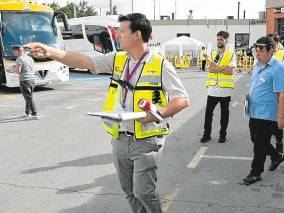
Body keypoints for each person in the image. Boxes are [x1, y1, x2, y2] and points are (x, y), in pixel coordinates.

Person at [26, 13, 190, 213]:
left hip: (146, 140)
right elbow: (84, 60)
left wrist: (157, 114)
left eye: (122, 32)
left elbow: (182, 99)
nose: (118, 36)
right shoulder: (118, 59)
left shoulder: (161, 64)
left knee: (144, 192)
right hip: (120, 139)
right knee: (129, 190)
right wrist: (51, 51)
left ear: (137, 35)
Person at [242, 36, 284, 185]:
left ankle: (255, 173)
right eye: (256, 48)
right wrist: (248, 97)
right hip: (254, 110)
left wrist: (281, 116)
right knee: (255, 139)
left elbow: (282, 93)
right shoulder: (257, 65)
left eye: (261, 49)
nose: (257, 52)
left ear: (270, 51)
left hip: (267, 114)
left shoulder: (278, 68)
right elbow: (256, 85)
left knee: (259, 146)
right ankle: (276, 156)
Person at [200, 31, 236, 143]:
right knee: (208, 113)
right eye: (218, 39)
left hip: (225, 90)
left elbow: (230, 71)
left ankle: (222, 135)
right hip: (212, 89)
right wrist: (222, 68)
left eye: (221, 39)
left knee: (224, 114)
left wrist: (217, 68)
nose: (219, 41)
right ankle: (206, 135)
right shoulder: (213, 53)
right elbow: (210, 69)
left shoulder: (230, 54)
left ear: (226, 40)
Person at [266, 33, 284, 154]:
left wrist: (272, 74)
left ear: (276, 43)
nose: (269, 44)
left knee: (276, 118)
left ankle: (279, 142)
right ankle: (267, 143)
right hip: (265, 91)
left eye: (271, 41)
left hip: (276, 91)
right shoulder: (264, 53)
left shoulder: (283, 54)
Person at [11, 45, 38, 120]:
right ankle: (27, 112)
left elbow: (18, 71)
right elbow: (31, 68)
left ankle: (34, 114)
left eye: (14, 52)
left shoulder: (19, 59)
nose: (14, 53)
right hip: (32, 80)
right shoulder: (29, 58)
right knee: (28, 97)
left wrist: (13, 69)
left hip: (24, 80)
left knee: (28, 98)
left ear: (17, 51)